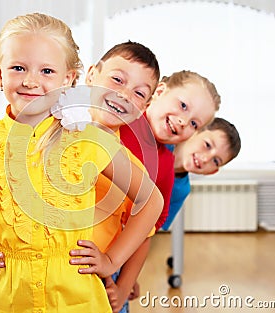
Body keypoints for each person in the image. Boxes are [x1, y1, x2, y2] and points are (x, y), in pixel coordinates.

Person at [0, 13, 163, 313]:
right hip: (7, 300)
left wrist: (112, 261)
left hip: (77, 300)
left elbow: (150, 201)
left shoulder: (89, 140)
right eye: (18, 68)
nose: (31, 81)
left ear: (68, 79)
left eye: (47, 71)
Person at [76, 41, 160, 313]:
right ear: (91, 75)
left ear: (145, 106)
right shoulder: (53, 137)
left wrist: (120, 280)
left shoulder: (132, 169)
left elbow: (143, 235)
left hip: (95, 284)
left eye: (138, 93)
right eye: (117, 79)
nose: (124, 94)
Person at [120, 70, 221, 232]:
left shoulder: (166, 165)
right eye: (183, 106)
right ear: (159, 92)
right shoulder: (120, 116)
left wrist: (116, 254)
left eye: (194, 124)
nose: (183, 121)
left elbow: (157, 221)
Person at [161, 117, 241, 230]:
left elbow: (151, 231)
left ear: (211, 172)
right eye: (207, 145)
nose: (205, 159)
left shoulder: (181, 190)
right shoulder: (157, 142)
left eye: (215, 161)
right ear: (194, 131)